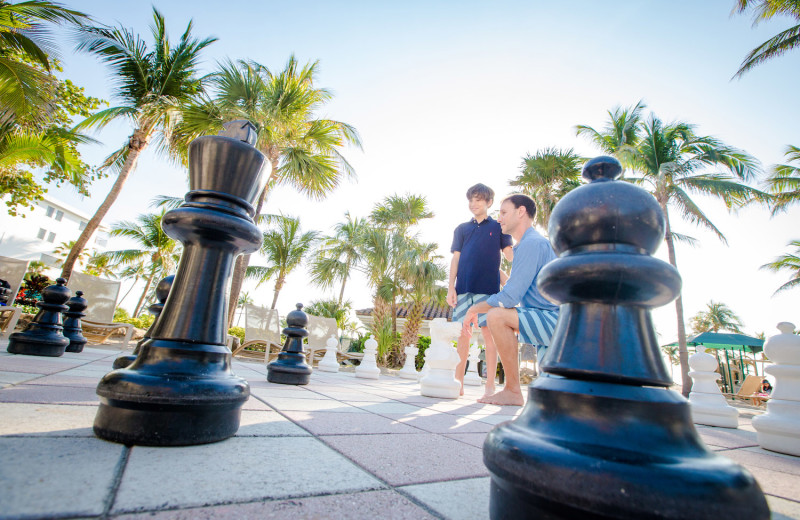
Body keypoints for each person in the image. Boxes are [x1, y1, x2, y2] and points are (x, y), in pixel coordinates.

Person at [463, 194, 559, 406]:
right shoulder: (532, 244)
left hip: (556, 323)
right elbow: (519, 288)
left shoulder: (531, 244)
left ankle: (513, 391)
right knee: (553, 399)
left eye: (504, 212)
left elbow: (510, 297)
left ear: (521, 211)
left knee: (496, 316)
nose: (500, 218)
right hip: (547, 322)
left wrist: (474, 309)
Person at [447, 183, 513, 397]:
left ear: (489, 202)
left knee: (489, 336)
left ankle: (490, 386)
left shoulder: (499, 227)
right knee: (463, 336)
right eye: (471, 200)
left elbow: (509, 255)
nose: (473, 204)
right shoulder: (462, 229)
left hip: (488, 291)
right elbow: (456, 259)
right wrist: (451, 288)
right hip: (464, 289)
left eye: (478, 199)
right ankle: (459, 383)